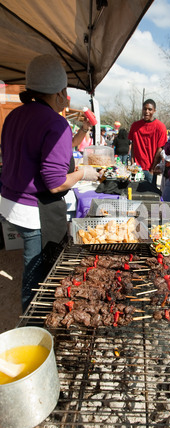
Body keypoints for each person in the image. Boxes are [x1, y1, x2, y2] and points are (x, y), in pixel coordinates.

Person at [0, 54, 101, 311]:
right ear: (59, 92)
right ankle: (31, 321)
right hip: (33, 210)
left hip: (8, 202)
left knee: (33, 262)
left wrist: (84, 130)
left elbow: (60, 150)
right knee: (36, 273)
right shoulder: (55, 122)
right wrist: (83, 174)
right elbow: (55, 183)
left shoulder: (15, 115)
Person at [128, 99, 167, 184]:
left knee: (149, 194)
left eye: (150, 109)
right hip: (137, 168)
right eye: (145, 109)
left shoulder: (160, 127)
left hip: (151, 169)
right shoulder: (135, 126)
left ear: (154, 111)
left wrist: (152, 170)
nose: (147, 111)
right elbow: (133, 145)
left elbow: (160, 149)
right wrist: (132, 163)